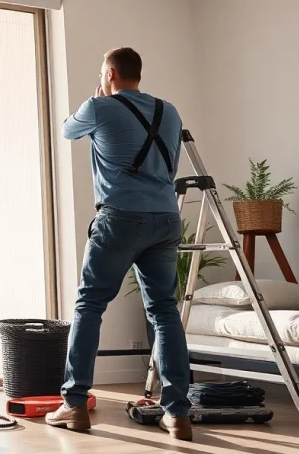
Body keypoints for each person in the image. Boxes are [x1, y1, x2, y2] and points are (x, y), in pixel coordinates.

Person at [45, 48, 192, 440]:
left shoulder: (98, 107)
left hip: (120, 218)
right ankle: (177, 413)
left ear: (110, 72)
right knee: (164, 310)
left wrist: (99, 102)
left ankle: (74, 405)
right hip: (166, 218)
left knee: (90, 305)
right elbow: (170, 164)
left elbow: (66, 129)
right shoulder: (170, 111)